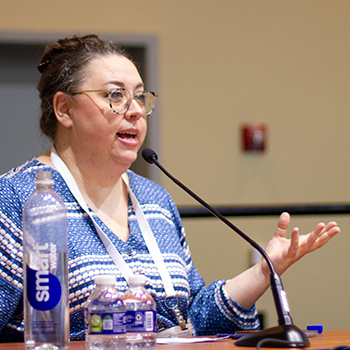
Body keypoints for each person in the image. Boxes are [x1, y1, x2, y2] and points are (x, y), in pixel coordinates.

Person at [0, 34, 340, 342]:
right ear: (64, 108)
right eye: (116, 96)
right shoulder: (16, 198)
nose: (135, 111)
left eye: (139, 97)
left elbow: (192, 319)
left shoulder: (154, 200)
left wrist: (263, 271)